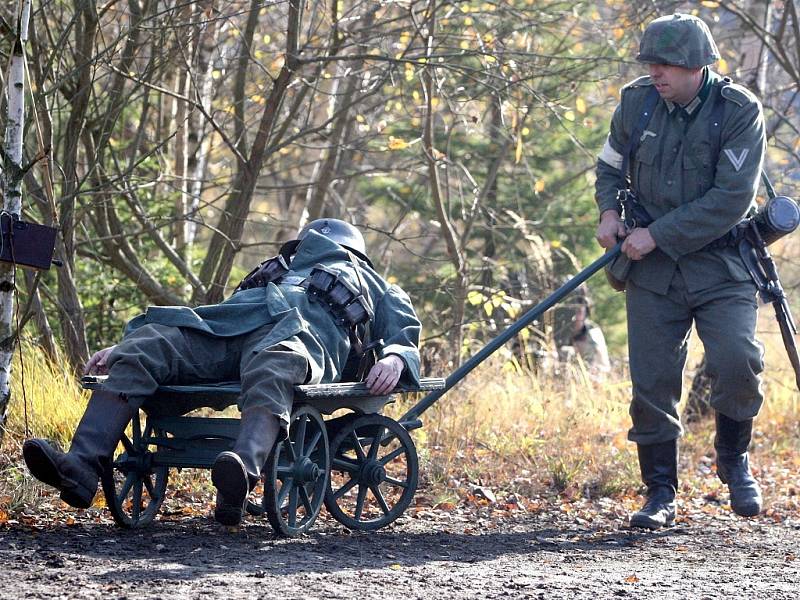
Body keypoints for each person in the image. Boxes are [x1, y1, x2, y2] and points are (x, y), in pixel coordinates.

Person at [23, 219, 421, 526]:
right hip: (228, 328)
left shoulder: (376, 283)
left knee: (274, 364)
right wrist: (124, 347)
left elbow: (404, 334)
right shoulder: (275, 268)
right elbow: (220, 311)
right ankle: (80, 467)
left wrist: (396, 358)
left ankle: (241, 469)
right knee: (150, 344)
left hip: (297, 336)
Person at [594, 14, 766, 529]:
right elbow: (609, 165)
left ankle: (733, 459)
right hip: (652, 271)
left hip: (722, 263)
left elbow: (731, 199)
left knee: (738, 361)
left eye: (666, 64)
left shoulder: (738, 111)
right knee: (651, 384)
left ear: (698, 66)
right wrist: (609, 212)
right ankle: (660, 493)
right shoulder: (636, 101)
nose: (656, 73)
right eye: (650, 62)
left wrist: (659, 234)